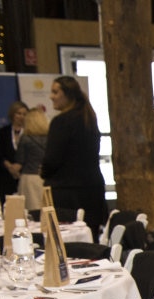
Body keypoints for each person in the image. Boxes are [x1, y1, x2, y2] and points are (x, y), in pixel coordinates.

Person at [41, 76, 107, 239]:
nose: (51, 96)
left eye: (55, 92)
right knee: (90, 240)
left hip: (67, 194)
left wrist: (43, 172)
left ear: (68, 94)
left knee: (68, 245)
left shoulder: (62, 122)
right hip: (92, 190)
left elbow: (52, 159)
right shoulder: (89, 118)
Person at [0, 101, 27, 206]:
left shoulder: (29, 132)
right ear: (13, 114)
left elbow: (32, 154)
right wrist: (10, 167)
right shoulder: (2, 132)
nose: (21, 116)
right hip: (5, 177)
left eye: (24, 114)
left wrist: (19, 166)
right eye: (18, 113)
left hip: (23, 175)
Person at [16, 108, 49, 212]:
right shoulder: (50, 138)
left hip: (29, 178)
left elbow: (20, 161)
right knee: (46, 210)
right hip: (45, 177)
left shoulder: (25, 138)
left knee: (30, 212)